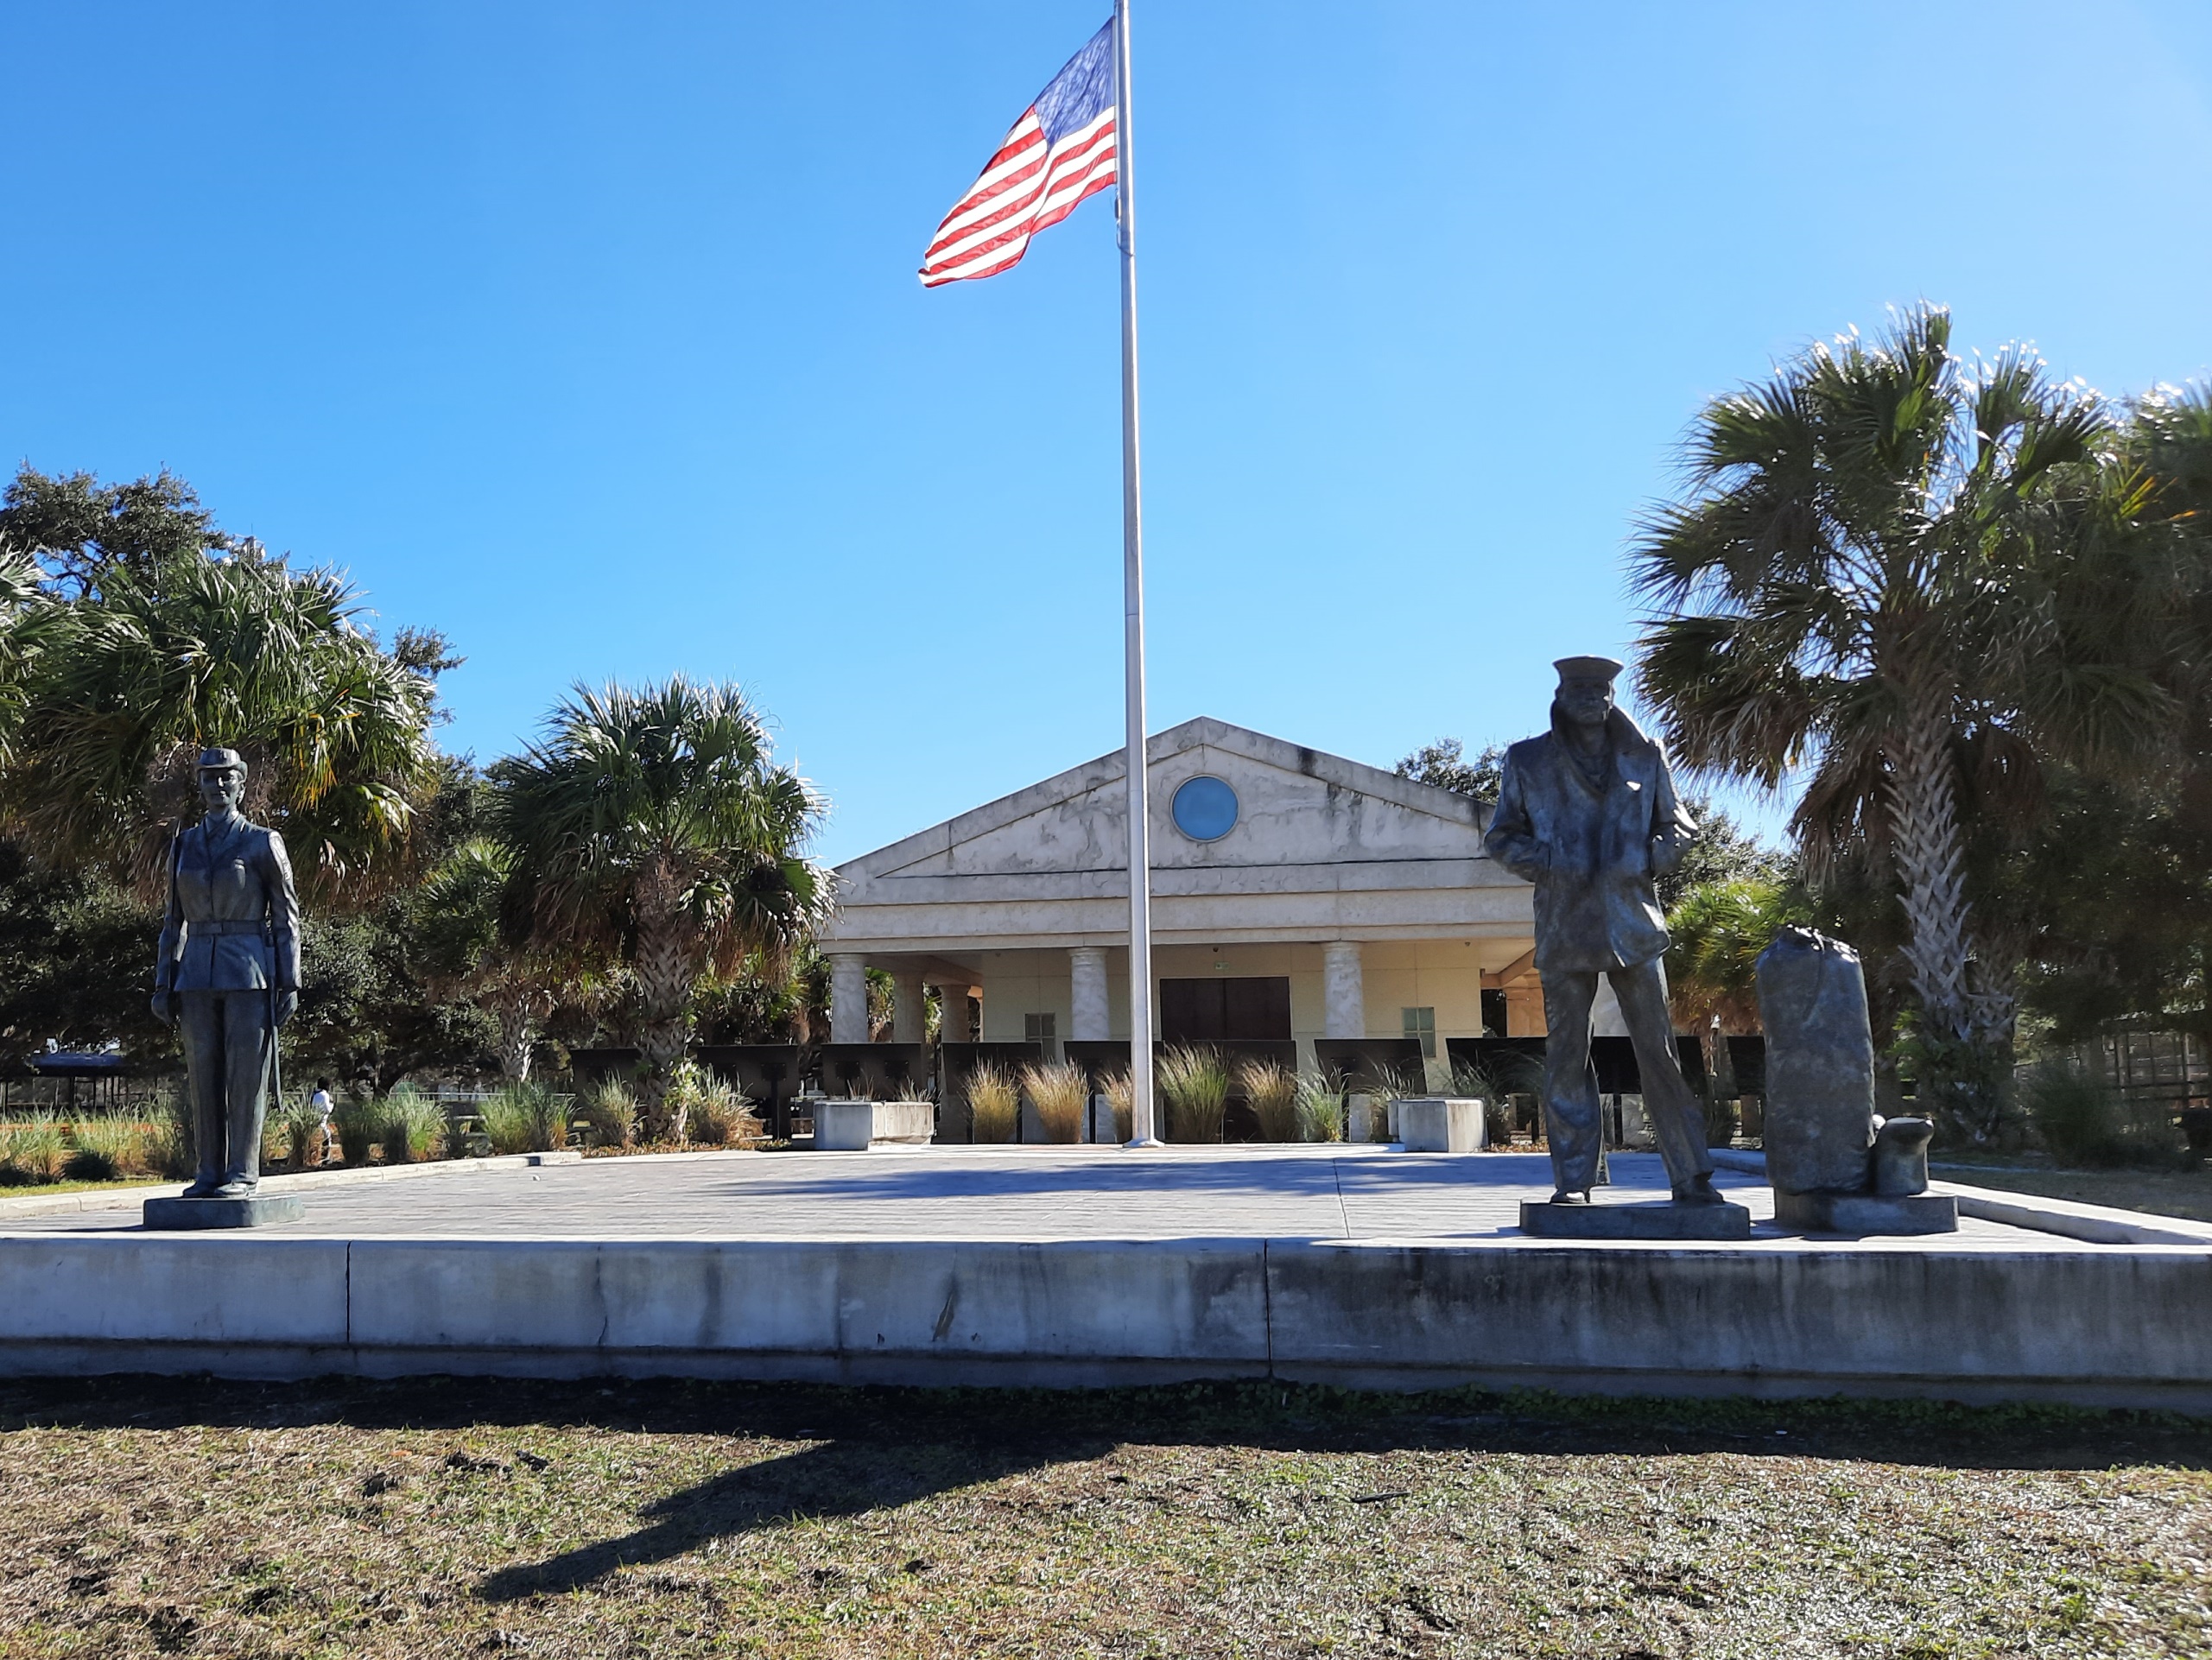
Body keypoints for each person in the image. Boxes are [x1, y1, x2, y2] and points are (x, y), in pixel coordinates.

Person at [1483, 656, 1724, 1207]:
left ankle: (1691, 1176)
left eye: (1602, 688)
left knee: (1659, 1052)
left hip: (1633, 923)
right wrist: (1546, 859)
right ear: (1561, 693)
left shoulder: (1645, 754)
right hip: (1566, 922)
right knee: (1567, 1053)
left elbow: (1680, 823)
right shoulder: (1527, 759)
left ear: (1613, 695)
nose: (1592, 696)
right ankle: (1574, 1182)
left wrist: (1652, 855)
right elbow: (1501, 836)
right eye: (1581, 687)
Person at [149, 749, 301, 1199]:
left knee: (245, 1076)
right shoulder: (184, 844)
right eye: (209, 778)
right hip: (194, 972)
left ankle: (241, 1172)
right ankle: (208, 1171)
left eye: (226, 778)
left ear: (242, 783)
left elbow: (287, 915)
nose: (217, 786)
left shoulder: (262, 841)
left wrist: (289, 979)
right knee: (203, 1077)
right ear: (198, 784)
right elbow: (172, 920)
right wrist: (163, 982)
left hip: (249, 970)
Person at [310, 1078, 334, 1163]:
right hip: (322, 1121)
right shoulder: (325, 1095)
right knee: (327, 1137)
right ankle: (326, 1157)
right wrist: (332, 1104)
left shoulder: (314, 1094)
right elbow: (328, 1109)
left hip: (314, 1121)